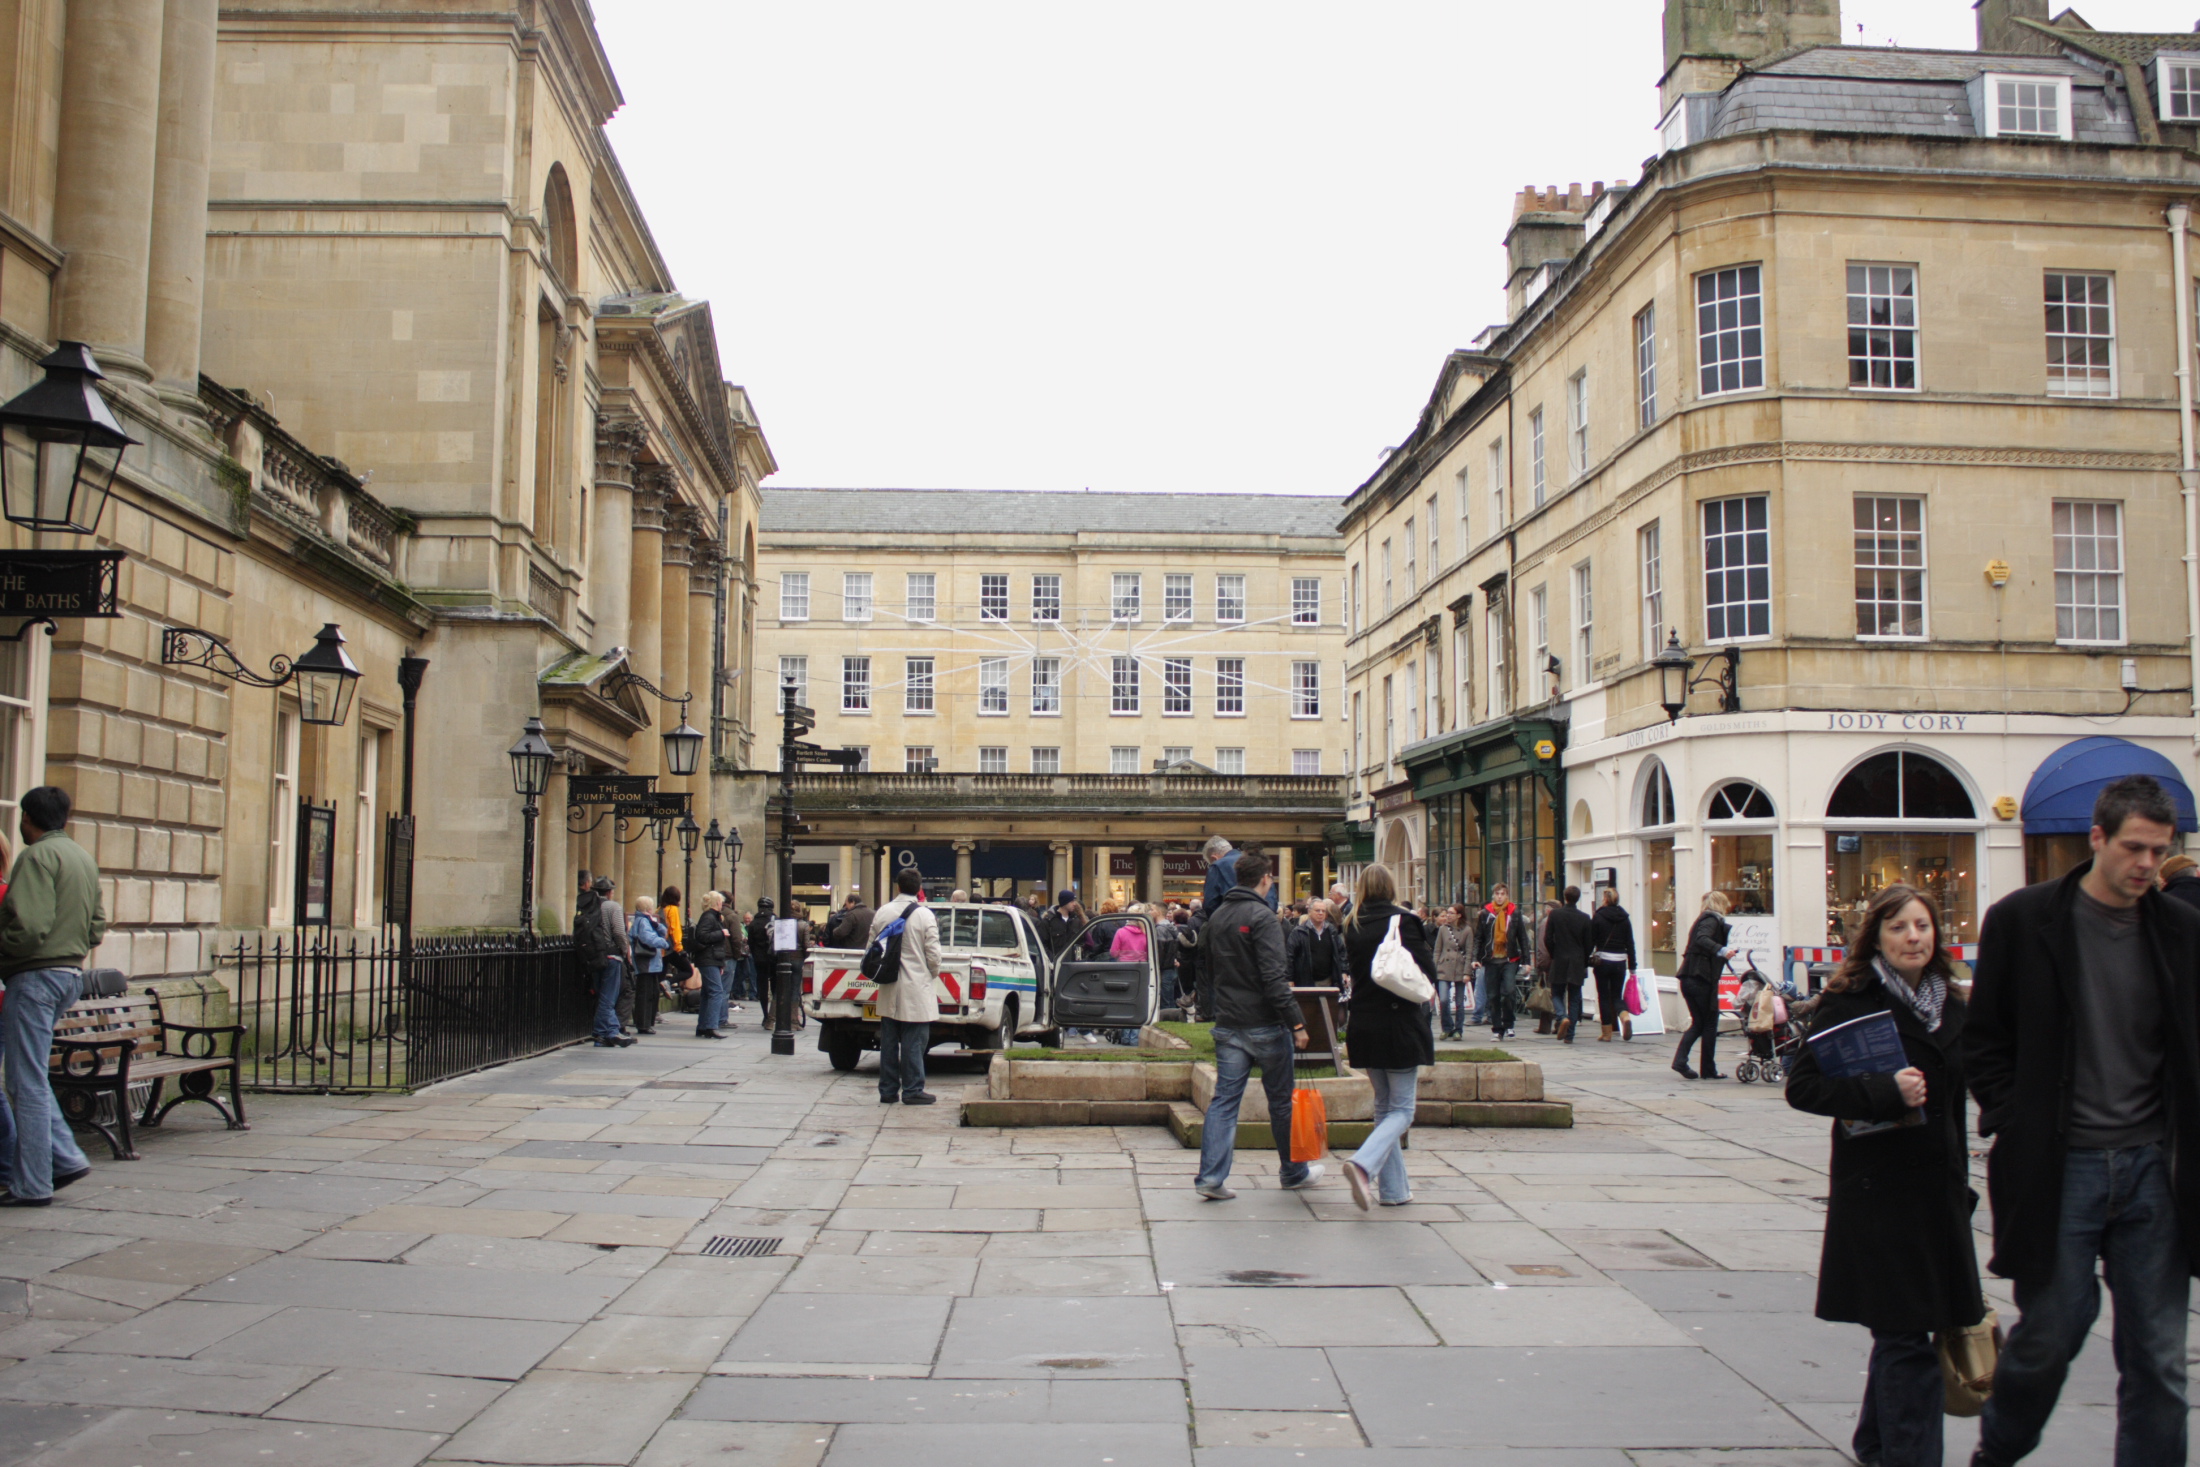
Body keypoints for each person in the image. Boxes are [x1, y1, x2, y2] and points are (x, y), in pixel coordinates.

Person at [1966, 774, 2200, 1467]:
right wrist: (2013, 1115)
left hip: (2153, 1165)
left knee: (2159, 1356)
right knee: (2053, 1331)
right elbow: (1984, 1038)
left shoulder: (2184, 931)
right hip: (2059, 1164)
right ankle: (1999, 1449)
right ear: (2096, 837)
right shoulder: (2023, 919)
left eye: (2160, 851)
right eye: (2134, 847)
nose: (2147, 865)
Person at [1786, 883, 1984, 1467]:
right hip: (1879, 1196)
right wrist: (1883, 1091)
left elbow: (1962, 1101)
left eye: (1922, 926)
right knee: (1906, 1338)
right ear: (1877, 936)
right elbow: (1804, 1088)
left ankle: (1876, 1447)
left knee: (1908, 1332)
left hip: (1939, 1195)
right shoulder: (1850, 999)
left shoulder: (1953, 1003)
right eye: (1899, 927)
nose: (1913, 938)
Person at [1193, 853, 1320, 1200]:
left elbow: (1208, 969)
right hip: (1266, 1022)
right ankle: (1293, 1171)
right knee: (1280, 1102)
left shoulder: (1218, 916)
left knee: (1224, 1102)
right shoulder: (1262, 917)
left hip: (1230, 1022)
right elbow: (1274, 978)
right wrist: (1297, 1022)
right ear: (1265, 879)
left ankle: (1210, 1178)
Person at [0, 788, 102, 1207]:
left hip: (36, 976)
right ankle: (63, 1158)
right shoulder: (82, 857)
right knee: (31, 1078)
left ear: (28, 818)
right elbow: (96, 926)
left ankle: (35, 1182)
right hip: (69, 972)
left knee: (25, 1083)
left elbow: (29, 926)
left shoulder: (37, 857)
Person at [1341, 863, 1436, 1210]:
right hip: (1398, 1024)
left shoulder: (1351, 924)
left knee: (1384, 1106)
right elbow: (1427, 974)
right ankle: (1364, 1164)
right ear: (1391, 887)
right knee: (1402, 1111)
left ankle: (1394, 1190)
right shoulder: (1404, 922)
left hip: (1363, 1023)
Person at [871, 868, 944, 1105]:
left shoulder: (883, 912)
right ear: (919, 888)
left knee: (889, 1041)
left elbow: (871, 947)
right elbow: (933, 954)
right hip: (916, 985)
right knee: (915, 1041)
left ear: (898, 887)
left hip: (889, 984)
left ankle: (888, 1090)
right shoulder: (924, 915)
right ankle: (912, 1089)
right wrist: (930, 974)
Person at [1673, 890, 1734, 1080]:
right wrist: (1722, 950)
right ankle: (1706, 1069)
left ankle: (1683, 1062)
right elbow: (1702, 939)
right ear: (1720, 903)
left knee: (1700, 1023)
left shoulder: (1703, 918)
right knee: (1708, 1024)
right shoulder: (1711, 920)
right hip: (1700, 978)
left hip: (1690, 978)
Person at [580, 876, 635, 1049]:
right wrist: (626, 951)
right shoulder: (612, 906)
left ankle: (603, 1035)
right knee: (608, 997)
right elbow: (619, 932)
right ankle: (608, 1032)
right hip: (611, 956)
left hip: (592, 955)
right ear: (610, 892)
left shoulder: (588, 905)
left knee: (602, 995)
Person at [1475, 883, 1527, 1040]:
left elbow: (1522, 938)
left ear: (1507, 896)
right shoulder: (1486, 913)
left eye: (1502, 894)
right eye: (1497, 893)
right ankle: (1497, 1029)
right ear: (1493, 895)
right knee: (1493, 995)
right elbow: (1479, 937)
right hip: (1491, 960)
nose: (1499, 896)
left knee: (1508, 991)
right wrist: (1475, 959)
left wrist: (1526, 961)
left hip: (1509, 959)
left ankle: (1509, 1023)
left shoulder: (1514, 913)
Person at [1544, 886, 1596, 1044]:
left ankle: (1561, 1016)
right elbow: (1589, 943)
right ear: (1578, 898)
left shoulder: (1555, 914)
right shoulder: (1585, 918)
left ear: (1565, 898)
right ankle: (1570, 1034)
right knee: (1574, 997)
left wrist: (1554, 953)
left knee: (1556, 992)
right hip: (1577, 961)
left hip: (1559, 958)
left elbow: (1548, 938)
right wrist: (1584, 958)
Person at [1590, 888, 1638, 1042]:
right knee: (1617, 994)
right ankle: (1624, 1016)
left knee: (1604, 996)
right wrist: (1632, 966)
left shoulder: (1598, 916)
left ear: (1605, 899)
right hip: (1620, 961)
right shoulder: (1625, 918)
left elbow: (1591, 940)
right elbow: (1630, 943)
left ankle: (1606, 1033)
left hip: (1603, 960)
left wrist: (1587, 957)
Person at [690, 890, 733, 1039]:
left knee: (708, 993)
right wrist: (722, 933)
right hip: (709, 959)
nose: (722, 904)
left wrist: (720, 964)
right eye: (720, 901)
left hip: (711, 958)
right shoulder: (709, 917)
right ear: (717, 903)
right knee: (716, 992)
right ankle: (711, 1026)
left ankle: (703, 1026)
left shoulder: (712, 917)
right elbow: (702, 936)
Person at [1201, 836, 1278, 915]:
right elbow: (1272, 900)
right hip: (1266, 918)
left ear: (1214, 858)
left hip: (1233, 921)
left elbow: (1210, 905)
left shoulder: (1217, 866)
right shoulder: (1258, 862)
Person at [627, 896, 670, 1035]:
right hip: (646, 962)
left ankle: (647, 1022)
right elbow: (648, 938)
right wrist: (664, 944)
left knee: (652, 992)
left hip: (652, 963)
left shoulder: (648, 921)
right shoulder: (643, 921)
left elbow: (664, 931)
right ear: (647, 908)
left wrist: (657, 925)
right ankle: (643, 1024)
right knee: (645, 994)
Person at [1290, 898, 1348, 994]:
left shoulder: (1331, 931)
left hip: (1329, 981)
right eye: (1317, 910)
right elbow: (1289, 956)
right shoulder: (1298, 932)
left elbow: (1342, 952)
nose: (1321, 913)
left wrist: (1344, 971)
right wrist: (1289, 979)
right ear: (1309, 912)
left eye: (1323, 911)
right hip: (1306, 981)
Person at [1432, 903, 1472, 1039]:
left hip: (1459, 968)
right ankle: (1446, 1027)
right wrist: (1434, 968)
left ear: (1459, 915)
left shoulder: (1467, 930)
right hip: (1444, 968)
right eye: (1447, 913)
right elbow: (1437, 950)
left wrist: (1467, 972)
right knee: (1443, 999)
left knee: (1460, 1002)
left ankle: (1458, 1030)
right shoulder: (1443, 929)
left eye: (1451, 913)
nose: (1447, 915)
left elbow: (1469, 952)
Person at [1039, 890, 1086, 957]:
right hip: (1055, 962)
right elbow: (1043, 944)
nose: (1074, 904)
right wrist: (1052, 959)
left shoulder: (1076, 920)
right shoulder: (1049, 921)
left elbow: (1081, 942)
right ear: (1064, 902)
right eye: (1072, 901)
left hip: (1072, 963)